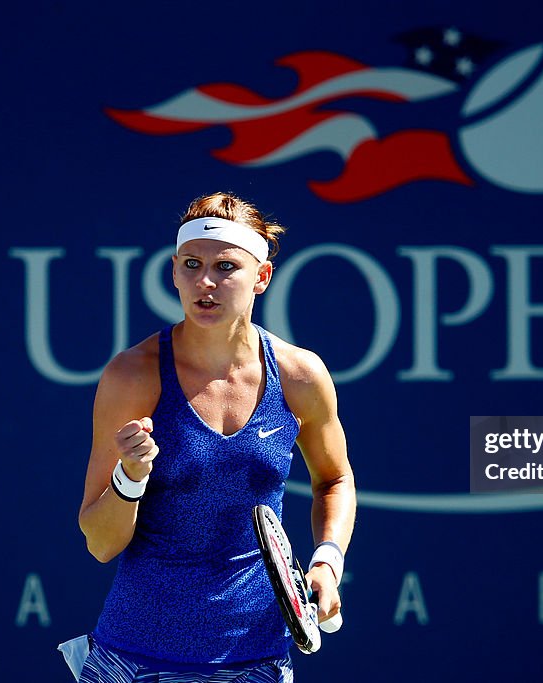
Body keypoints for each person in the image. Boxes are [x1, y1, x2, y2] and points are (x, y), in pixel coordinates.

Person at [74, 192, 356, 682]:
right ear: (174, 272)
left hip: (258, 660)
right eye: (191, 265)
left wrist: (328, 561)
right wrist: (130, 476)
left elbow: (334, 480)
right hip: (132, 661)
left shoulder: (300, 375)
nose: (205, 281)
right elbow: (100, 543)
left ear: (262, 277)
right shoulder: (132, 376)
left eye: (226, 267)